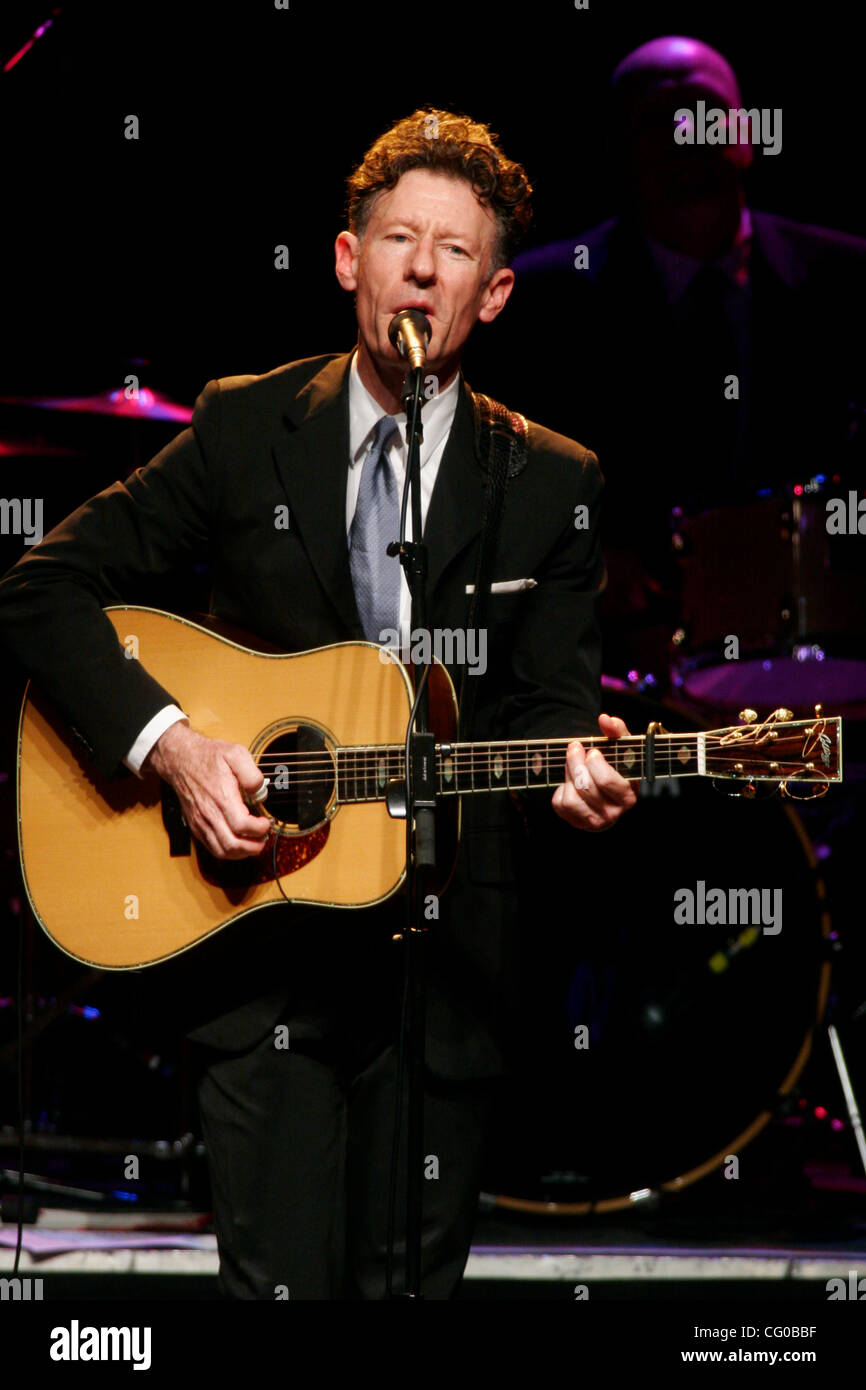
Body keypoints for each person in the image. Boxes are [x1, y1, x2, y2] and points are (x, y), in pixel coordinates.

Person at [0, 109, 636, 1299]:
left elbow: (544, 717)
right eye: (400, 238)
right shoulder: (246, 427)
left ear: (491, 296)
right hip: (259, 949)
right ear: (350, 260)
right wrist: (174, 746)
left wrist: (574, 780)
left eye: (455, 253)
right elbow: (43, 589)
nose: (422, 268)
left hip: (448, 967)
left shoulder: (552, 480)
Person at [475, 36, 866, 680]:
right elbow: (494, 491)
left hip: (829, 669)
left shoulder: (847, 283)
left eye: (707, 114)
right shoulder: (540, 306)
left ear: (746, 137)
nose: (689, 137)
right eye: (660, 121)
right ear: (617, 151)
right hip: (621, 676)